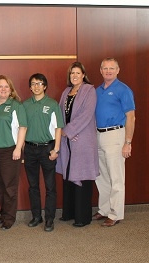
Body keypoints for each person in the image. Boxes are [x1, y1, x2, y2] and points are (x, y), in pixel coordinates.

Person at [93, 57, 135, 227]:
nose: (108, 71)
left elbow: (131, 117)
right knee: (101, 176)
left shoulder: (123, 90)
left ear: (118, 70)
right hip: (98, 135)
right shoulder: (97, 90)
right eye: (105, 68)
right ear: (100, 71)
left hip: (116, 135)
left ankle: (116, 213)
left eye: (112, 68)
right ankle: (104, 209)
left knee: (116, 177)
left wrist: (128, 142)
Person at [56, 62, 99, 227]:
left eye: (77, 73)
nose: (74, 75)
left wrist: (68, 131)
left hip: (83, 139)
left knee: (82, 175)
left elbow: (86, 115)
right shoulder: (66, 91)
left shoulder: (89, 90)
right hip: (67, 140)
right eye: (72, 73)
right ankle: (69, 213)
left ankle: (82, 217)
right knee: (68, 174)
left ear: (83, 75)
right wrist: (63, 132)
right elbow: (60, 113)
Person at [23, 73, 64, 232]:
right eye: (33, 84)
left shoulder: (52, 104)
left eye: (39, 83)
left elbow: (58, 128)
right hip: (30, 149)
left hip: (48, 149)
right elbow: (22, 128)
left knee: (50, 186)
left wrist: (56, 149)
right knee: (33, 186)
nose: (36, 86)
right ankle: (36, 216)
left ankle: (49, 219)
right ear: (30, 87)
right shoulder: (25, 105)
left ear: (45, 86)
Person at [0, 75, 27, 230]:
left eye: (6, 86)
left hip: (10, 151)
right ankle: (4, 213)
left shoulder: (16, 105)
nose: (3, 89)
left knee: (9, 186)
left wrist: (18, 148)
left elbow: (23, 127)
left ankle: (9, 218)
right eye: (0, 86)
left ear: (11, 89)